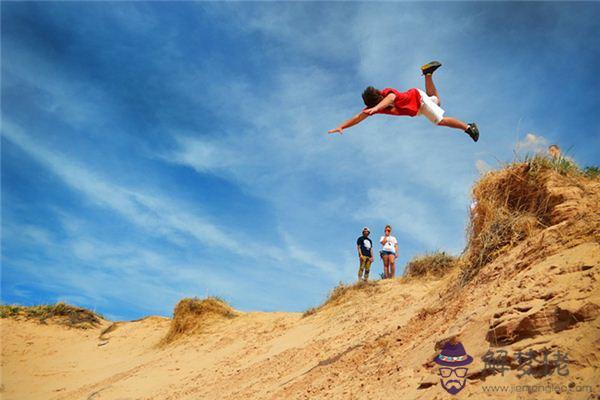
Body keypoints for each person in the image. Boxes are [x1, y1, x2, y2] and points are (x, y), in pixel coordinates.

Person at [328, 61, 479, 142]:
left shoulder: (386, 93)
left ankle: (468, 127)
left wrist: (375, 109)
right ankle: (428, 74)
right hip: (417, 108)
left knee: (439, 120)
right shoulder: (376, 107)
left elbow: (391, 98)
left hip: (418, 100)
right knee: (437, 102)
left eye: (378, 103)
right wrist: (342, 126)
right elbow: (358, 118)